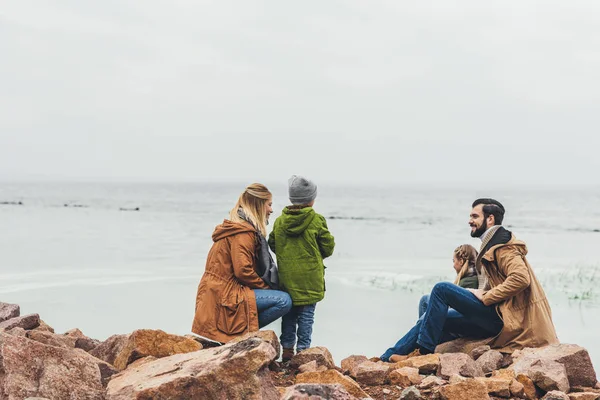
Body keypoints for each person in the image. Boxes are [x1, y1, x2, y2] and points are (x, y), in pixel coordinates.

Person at [380, 198, 558, 362]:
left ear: (490, 219)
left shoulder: (504, 248)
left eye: (474, 216)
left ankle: (420, 353)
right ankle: (430, 346)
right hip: (495, 311)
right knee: (427, 301)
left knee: (441, 289)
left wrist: (487, 296)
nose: (469, 220)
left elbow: (520, 279)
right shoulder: (491, 244)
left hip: (503, 318)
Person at [191, 183, 292, 344]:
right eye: (269, 205)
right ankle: (241, 335)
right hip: (226, 295)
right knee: (284, 300)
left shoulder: (237, 227)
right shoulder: (244, 233)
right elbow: (243, 271)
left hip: (216, 293)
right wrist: (264, 287)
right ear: (258, 205)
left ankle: (239, 333)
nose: (271, 210)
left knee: (278, 297)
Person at [268, 175, 335, 362]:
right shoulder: (317, 220)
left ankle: (287, 350)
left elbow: (272, 243)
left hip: (287, 277)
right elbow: (328, 247)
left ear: (291, 198)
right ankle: (303, 351)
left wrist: (287, 255)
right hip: (310, 277)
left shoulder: (280, 221)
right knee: (306, 315)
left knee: (289, 315)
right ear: (312, 199)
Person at [418, 244, 479, 319]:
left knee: (425, 309)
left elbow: (457, 308)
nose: (453, 265)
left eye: (454, 261)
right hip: (465, 313)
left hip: (464, 316)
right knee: (425, 299)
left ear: (461, 261)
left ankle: (424, 329)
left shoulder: (467, 281)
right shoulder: (473, 277)